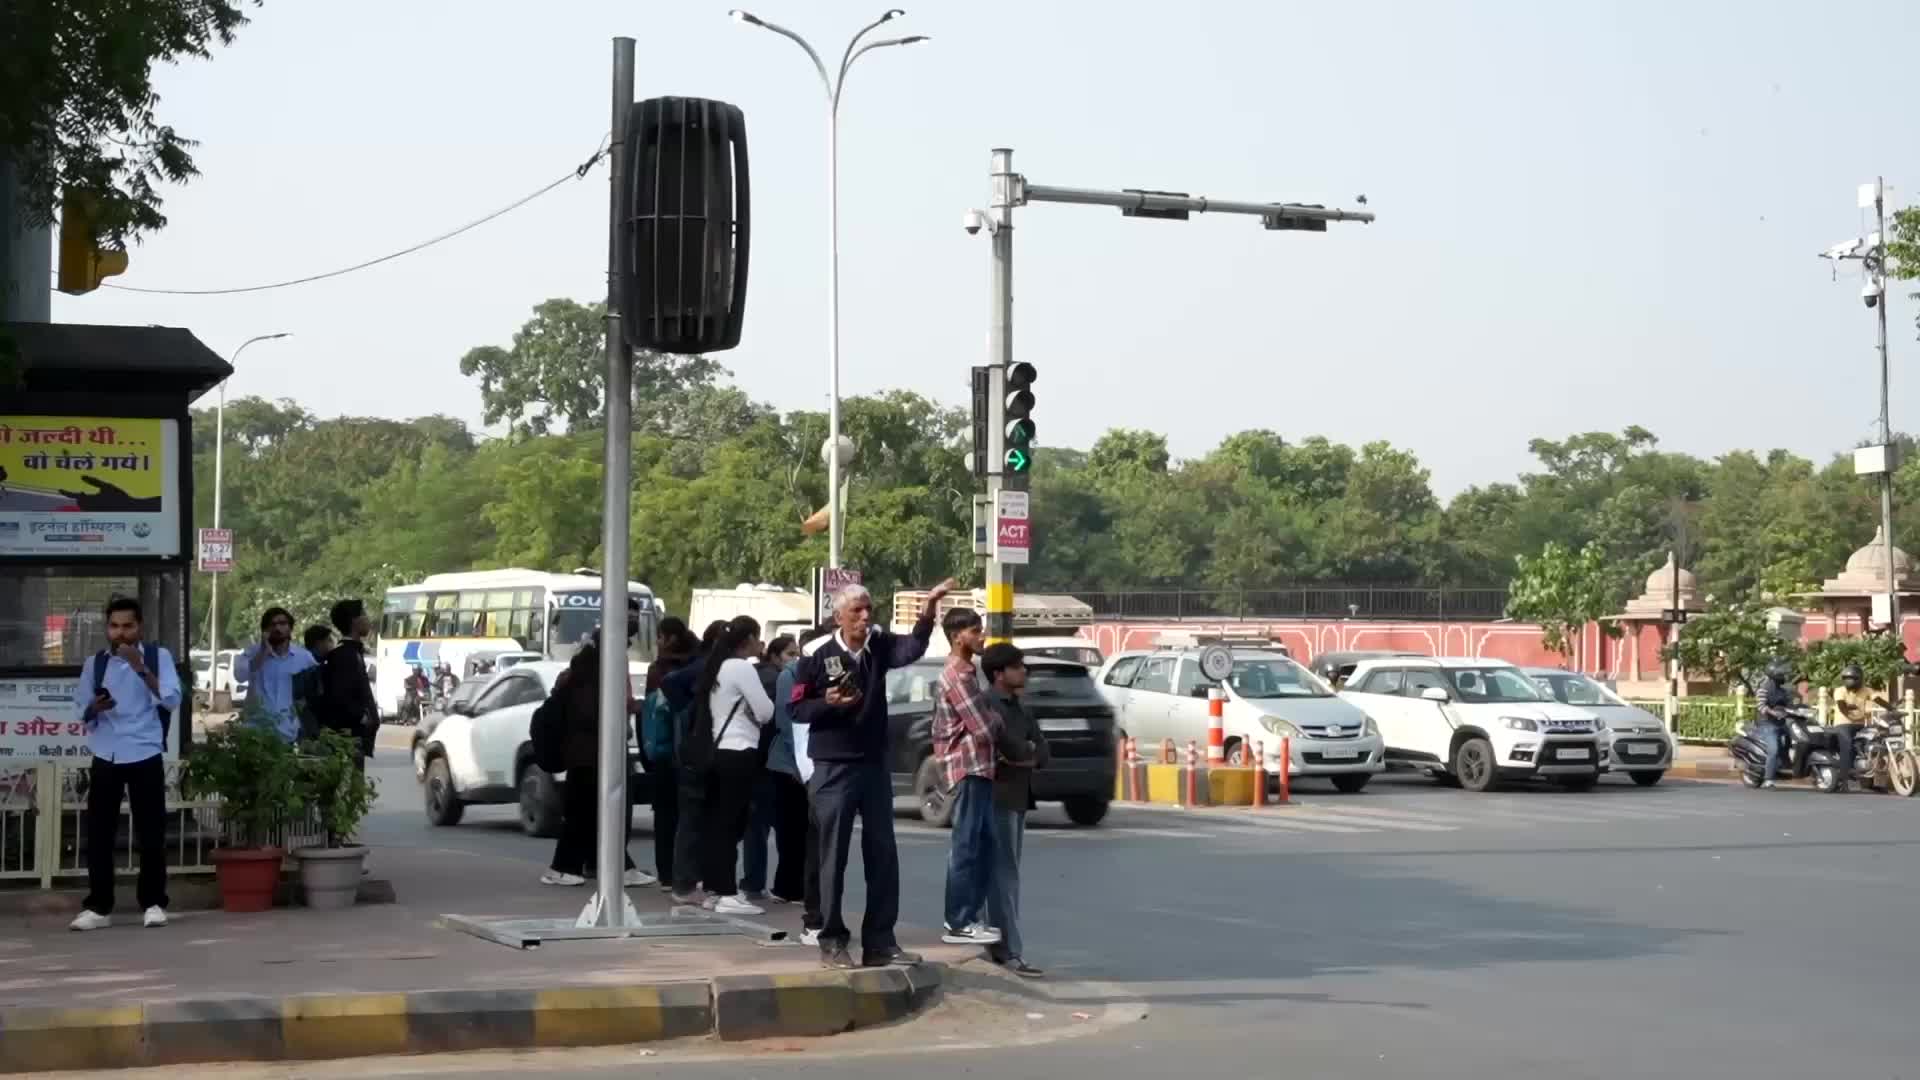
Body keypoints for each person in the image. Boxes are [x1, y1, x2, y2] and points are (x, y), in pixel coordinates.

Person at [794, 577, 956, 970]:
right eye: (857, 611)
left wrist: (928, 610)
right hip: (833, 767)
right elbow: (796, 709)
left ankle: (881, 941)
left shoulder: (879, 646)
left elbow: (913, 648)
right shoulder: (816, 653)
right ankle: (831, 941)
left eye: (869, 609)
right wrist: (828, 703)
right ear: (839, 616)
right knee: (832, 856)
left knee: (882, 854)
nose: (865, 617)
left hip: (873, 765)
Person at [71, 596, 182, 931]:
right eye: (115, 626)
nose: (121, 633)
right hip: (106, 752)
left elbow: (173, 698)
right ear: (107, 628)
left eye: (127, 626)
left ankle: (152, 903)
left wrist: (140, 667)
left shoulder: (158, 657)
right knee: (100, 833)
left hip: (144, 750)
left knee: (151, 832)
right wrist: (95, 707)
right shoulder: (96, 664)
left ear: (140, 627)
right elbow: (81, 710)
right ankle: (98, 907)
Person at [543, 598, 654, 887]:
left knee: (594, 810)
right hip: (590, 751)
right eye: (627, 614)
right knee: (584, 811)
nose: (632, 621)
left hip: (595, 750)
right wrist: (624, 711)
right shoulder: (594, 668)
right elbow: (594, 710)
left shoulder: (595, 661)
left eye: (635, 615)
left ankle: (603, 864)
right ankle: (564, 867)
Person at [931, 607, 1004, 948]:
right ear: (958, 635)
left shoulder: (969, 672)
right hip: (968, 767)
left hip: (980, 768)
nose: (981, 636)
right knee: (966, 847)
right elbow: (984, 726)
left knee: (983, 845)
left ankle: (968, 918)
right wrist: (996, 720)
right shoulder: (958, 677)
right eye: (975, 631)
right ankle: (958, 920)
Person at [692, 616, 774, 914]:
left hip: (717, 752)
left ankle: (714, 887)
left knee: (718, 822)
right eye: (757, 637)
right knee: (732, 822)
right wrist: (755, 714)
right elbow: (766, 711)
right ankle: (727, 892)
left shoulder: (718, 666)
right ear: (748, 639)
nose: (760, 643)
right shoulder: (741, 667)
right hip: (739, 751)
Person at [982, 643, 1048, 977]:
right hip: (998, 797)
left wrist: (1026, 752)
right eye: (1017, 666)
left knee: (1006, 876)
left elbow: (1042, 751)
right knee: (1003, 877)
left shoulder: (1019, 707)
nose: (1024, 671)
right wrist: (1025, 752)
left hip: (1018, 797)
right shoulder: (989, 707)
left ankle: (1001, 945)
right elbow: (1008, 748)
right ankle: (1007, 950)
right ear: (999, 674)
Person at [661, 619, 732, 902]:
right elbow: (670, 683)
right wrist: (689, 708)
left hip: (700, 749)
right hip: (699, 750)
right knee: (692, 819)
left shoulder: (710, 667)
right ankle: (686, 883)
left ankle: (693, 879)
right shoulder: (706, 666)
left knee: (698, 818)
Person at [782, 625, 834, 944]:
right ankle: (814, 922)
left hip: (835, 773)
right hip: (819, 774)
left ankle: (825, 920)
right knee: (818, 853)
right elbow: (799, 732)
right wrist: (812, 777)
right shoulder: (808, 674)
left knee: (830, 854)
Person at [641, 616, 698, 888]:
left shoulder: (660, 670)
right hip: (691, 751)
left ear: (670, 638)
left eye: (661, 637)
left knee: (665, 817)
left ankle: (666, 874)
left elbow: (651, 716)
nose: (658, 643)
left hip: (664, 752)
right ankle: (688, 873)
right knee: (689, 816)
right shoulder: (698, 665)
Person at [741, 634, 799, 903]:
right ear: (774, 657)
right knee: (783, 826)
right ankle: (778, 885)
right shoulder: (780, 679)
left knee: (759, 826)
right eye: (789, 654)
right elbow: (780, 720)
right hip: (773, 760)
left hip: (755, 757)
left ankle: (755, 882)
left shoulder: (756, 675)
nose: (794, 659)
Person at [238, 607, 317, 744]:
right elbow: (240, 675)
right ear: (265, 630)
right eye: (272, 624)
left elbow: (315, 688)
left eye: (282, 623)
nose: (277, 628)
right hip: (255, 731)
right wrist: (263, 652)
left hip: (289, 733)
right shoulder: (252, 652)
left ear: (290, 628)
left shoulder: (303, 657)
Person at [319, 599, 381, 766]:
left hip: (354, 739)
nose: (368, 620)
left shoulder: (352, 652)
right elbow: (340, 696)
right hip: (347, 740)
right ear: (354, 621)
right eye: (364, 615)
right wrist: (362, 717)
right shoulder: (344, 655)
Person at [1830, 663, 1889, 791]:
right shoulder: (1840, 691)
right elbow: (1841, 706)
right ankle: (1843, 780)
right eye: (1846, 678)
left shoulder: (1865, 689)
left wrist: (1892, 708)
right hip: (1843, 725)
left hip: (1860, 724)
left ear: (1860, 679)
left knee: (1876, 746)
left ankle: (1876, 783)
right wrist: (1849, 713)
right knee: (1848, 746)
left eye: (1852, 678)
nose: (1849, 681)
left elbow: (1878, 699)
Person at [1753, 659, 1796, 790]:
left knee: (1793, 738)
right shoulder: (1763, 689)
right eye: (1781, 674)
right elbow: (1761, 706)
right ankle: (1768, 779)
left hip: (1781, 723)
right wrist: (1772, 712)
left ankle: (1785, 765)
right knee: (1774, 748)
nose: (1783, 676)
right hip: (1766, 724)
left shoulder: (1784, 691)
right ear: (1774, 674)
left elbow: (1790, 705)